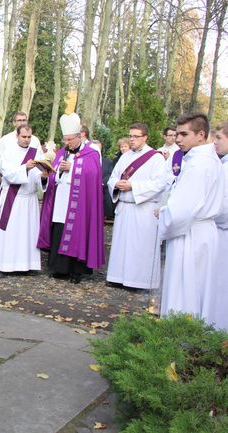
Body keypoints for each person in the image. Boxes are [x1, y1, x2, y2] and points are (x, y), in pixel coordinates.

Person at [158, 112, 223, 321]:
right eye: (177, 134)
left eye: (184, 134)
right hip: (203, 232)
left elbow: (181, 211)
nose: (178, 139)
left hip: (190, 234)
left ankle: (180, 339)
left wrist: (163, 213)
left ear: (201, 135)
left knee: (184, 290)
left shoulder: (198, 164)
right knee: (199, 289)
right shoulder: (210, 161)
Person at [38, 113, 105, 284]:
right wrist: (48, 175)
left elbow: (93, 174)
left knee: (78, 232)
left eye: (69, 140)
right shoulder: (61, 153)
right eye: (65, 140)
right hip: (61, 200)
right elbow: (54, 174)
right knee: (60, 231)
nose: (66, 143)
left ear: (79, 137)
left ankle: (77, 271)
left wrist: (73, 167)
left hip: (79, 202)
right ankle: (60, 269)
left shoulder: (91, 153)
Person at [106, 124, 168, 289]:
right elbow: (112, 177)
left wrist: (133, 186)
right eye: (130, 136)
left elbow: (159, 183)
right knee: (122, 244)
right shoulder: (125, 157)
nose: (132, 139)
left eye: (136, 136)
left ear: (145, 137)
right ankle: (117, 277)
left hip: (142, 208)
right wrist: (116, 184)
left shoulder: (156, 158)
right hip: (124, 206)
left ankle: (138, 281)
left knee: (139, 246)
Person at [0, 124, 45, 277]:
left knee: (28, 232)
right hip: (13, 197)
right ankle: (4, 266)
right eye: (24, 137)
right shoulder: (9, 152)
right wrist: (26, 168)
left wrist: (42, 176)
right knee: (9, 232)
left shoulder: (35, 152)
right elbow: (8, 174)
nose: (27, 140)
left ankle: (27, 265)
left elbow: (37, 174)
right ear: (17, 136)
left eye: (29, 137)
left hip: (29, 198)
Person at [210, 120, 228, 331]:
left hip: (222, 233)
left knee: (221, 286)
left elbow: (222, 208)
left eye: (219, 138)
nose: (215, 142)